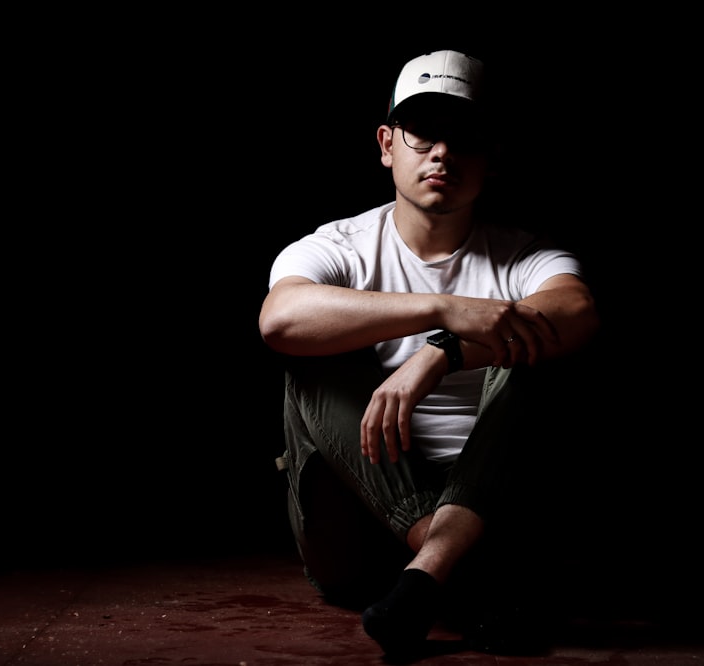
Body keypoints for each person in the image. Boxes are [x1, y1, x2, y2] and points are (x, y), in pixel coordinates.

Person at [259, 48, 600, 657]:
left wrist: (441, 352)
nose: (442, 152)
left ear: (491, 155)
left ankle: (429, 577)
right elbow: (281, 320)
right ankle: (463, 568)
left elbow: (575, 312)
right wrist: (442, 309)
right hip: (358, 535)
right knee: (309, 357)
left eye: (463, 136)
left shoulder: (526, 255)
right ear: (388, 144)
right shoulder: (339, 246)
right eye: (424, 135)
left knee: (538, 353)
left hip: (495, 500)